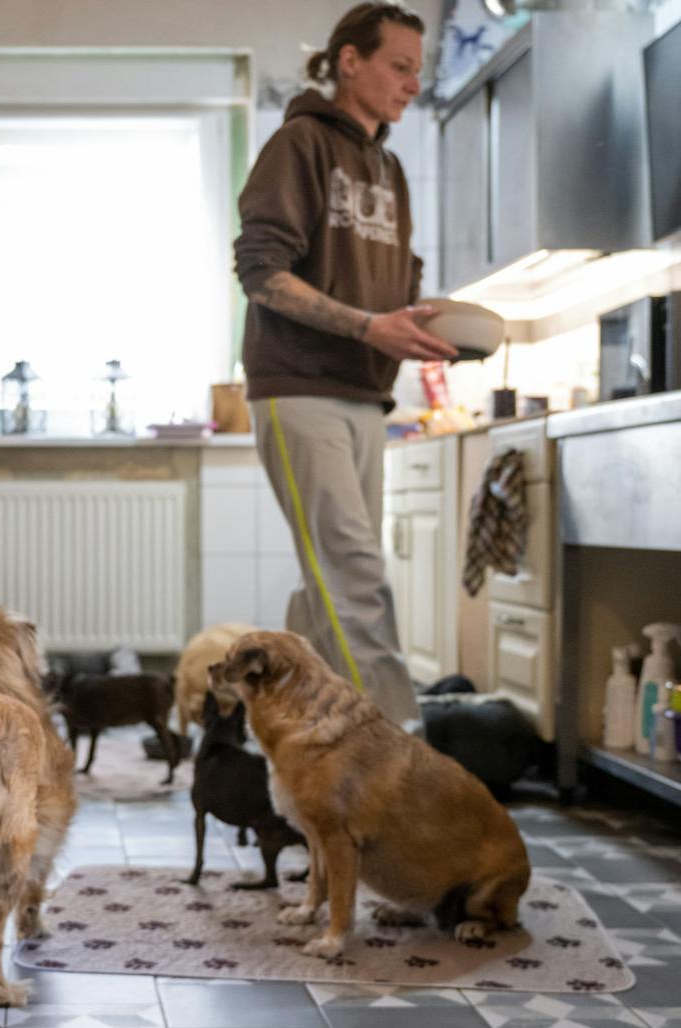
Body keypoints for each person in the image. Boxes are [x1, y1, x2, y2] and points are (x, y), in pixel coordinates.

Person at [233, 1, 455, 726]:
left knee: (325, 589)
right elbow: (261, 270)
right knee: (353, 574)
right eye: (400, 65)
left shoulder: (389, 168)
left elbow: (391, 287)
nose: (412, 84)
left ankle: (314, 749)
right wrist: (369, 325)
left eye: (418, 71)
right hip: (300, 388)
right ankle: (400, 755)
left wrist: (422, 321)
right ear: (349, 62)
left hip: (365, 394)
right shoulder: (299, 144)